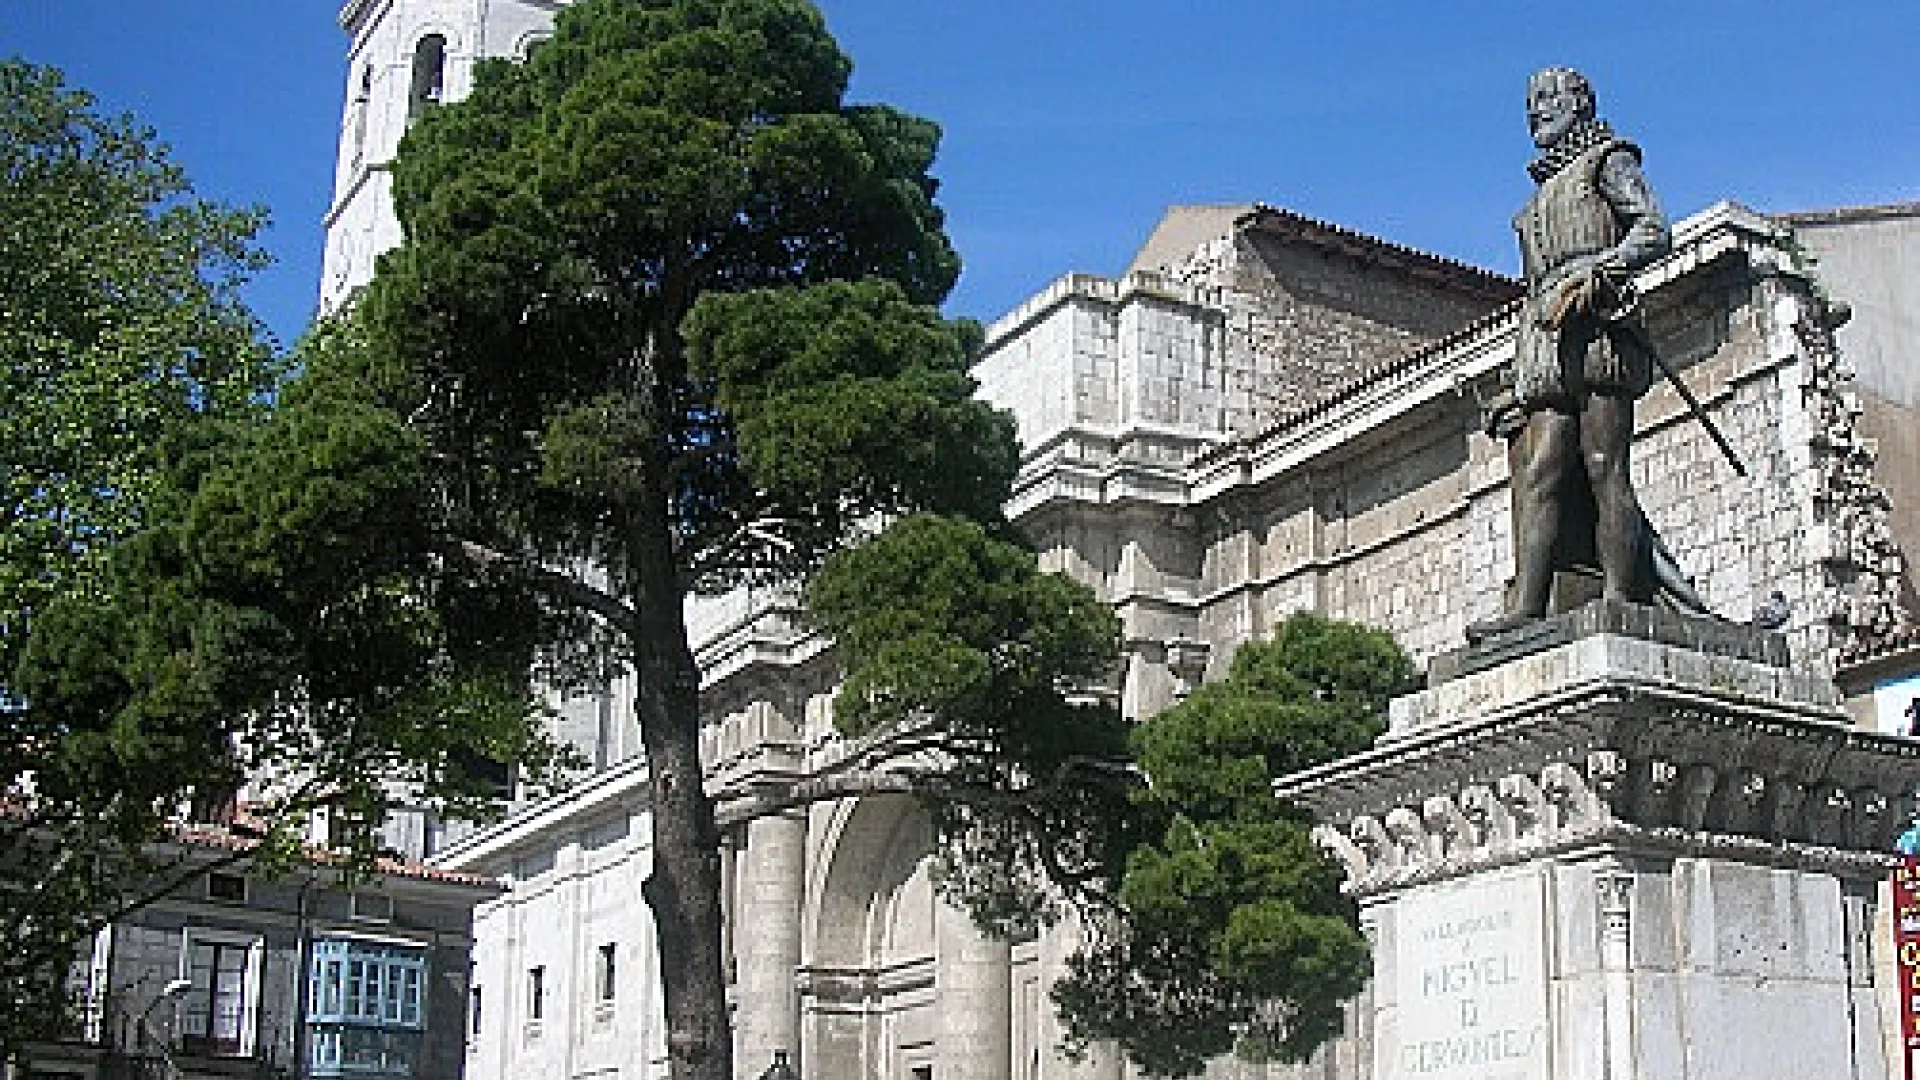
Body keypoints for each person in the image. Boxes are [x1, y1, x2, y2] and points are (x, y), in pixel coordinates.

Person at [1470, 67, 1676, 642]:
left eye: (1549, 99)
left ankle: (1618, 596)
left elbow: (1654, 230)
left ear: (1582, 103)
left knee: (1605, 464)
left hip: (1598, 326)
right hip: (1544, 333)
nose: (1536, 110)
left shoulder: (1609, 162)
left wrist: (1597, 269)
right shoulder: (1536, 199)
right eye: (1530, 101)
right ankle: (1528, 605)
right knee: (1540, 470)